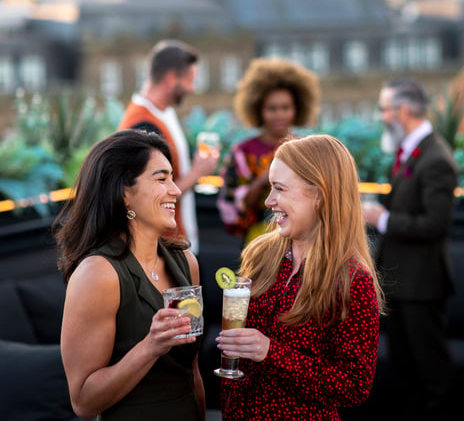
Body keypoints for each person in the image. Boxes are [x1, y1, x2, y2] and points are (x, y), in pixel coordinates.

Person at [217, 134, 384, 419]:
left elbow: (355, 388)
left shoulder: (352, 279)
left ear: (319, 194)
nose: (269, 201)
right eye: (270, 188)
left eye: (279, 188)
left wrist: (271, 352)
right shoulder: (260, 254)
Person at [55, 129, 206, 420]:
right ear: (124, 192)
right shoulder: (98, 274)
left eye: (173, 178)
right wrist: (150, 347)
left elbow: (193, 374)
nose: (175, 190)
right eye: (161, 179)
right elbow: (84, 403)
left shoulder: (187, 262)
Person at [362, 78, 458, 419]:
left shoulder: (436, 159)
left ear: (403, 111)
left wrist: (382, 218)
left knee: (431, 375)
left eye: (384, 109)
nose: (381, 116)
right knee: (404, 373)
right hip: (402, 283)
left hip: (423, 285)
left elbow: (435, 224)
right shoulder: (409, 151)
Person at [118, 39, 218, 255]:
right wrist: (199, 172)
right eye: (190, 80)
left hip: (173, 241)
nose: (192, 88)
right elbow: (148, 195)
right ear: (172, 78)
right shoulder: (142, 124)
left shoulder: (163, 113)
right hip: (161, 249)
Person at [217, 57, 320, 246]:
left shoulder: (308, 149)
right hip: (259, 241)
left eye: (285, 108)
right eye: (272, 108)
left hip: (304, 242)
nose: (279, 115)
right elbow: (232, 210)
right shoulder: (243, 152)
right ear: (259, 110)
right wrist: (264, 180)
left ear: (296, 109)